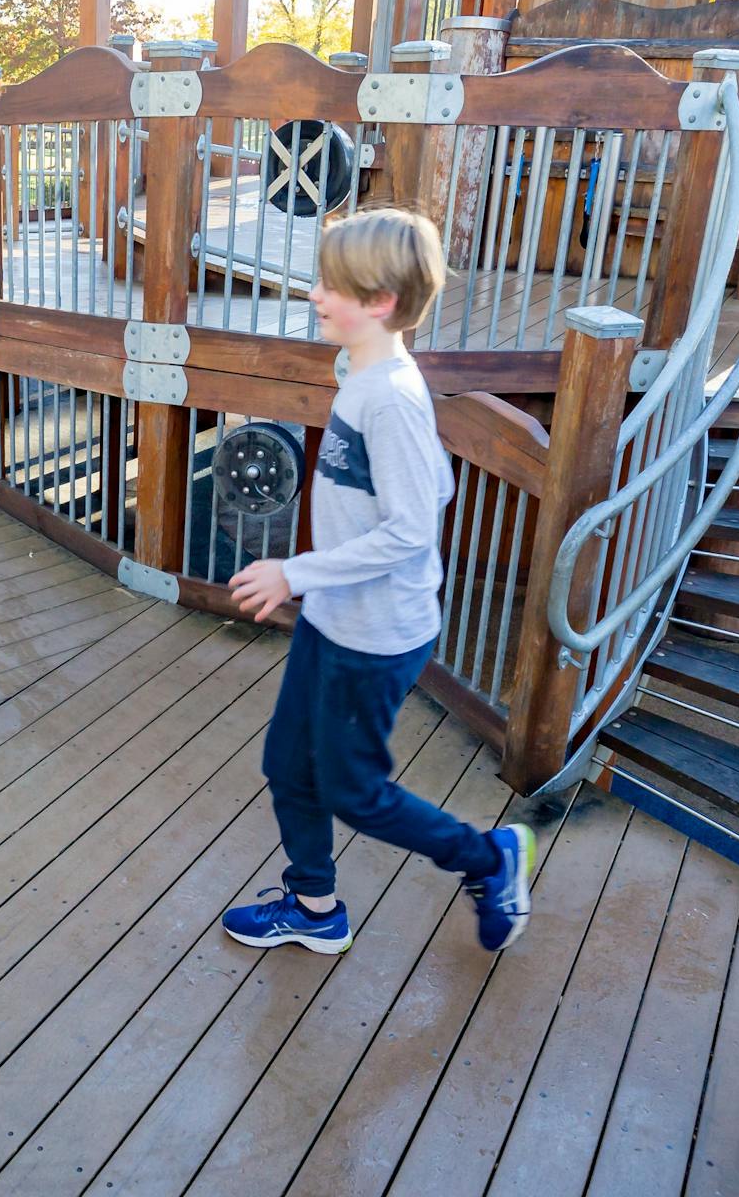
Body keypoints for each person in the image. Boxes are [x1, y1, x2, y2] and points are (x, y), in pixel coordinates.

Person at [223, 209, 534, 956]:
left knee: (354, 792)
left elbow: (409, 529)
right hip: (335, 618)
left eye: (334, 286)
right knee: (287, 765)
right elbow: (436, 487)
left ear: (382, 302)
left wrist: (294, 570)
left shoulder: (390, 396)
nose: (317, 295)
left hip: (374, 634)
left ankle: (490, 858)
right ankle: (314, 905)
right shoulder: (367, 376)